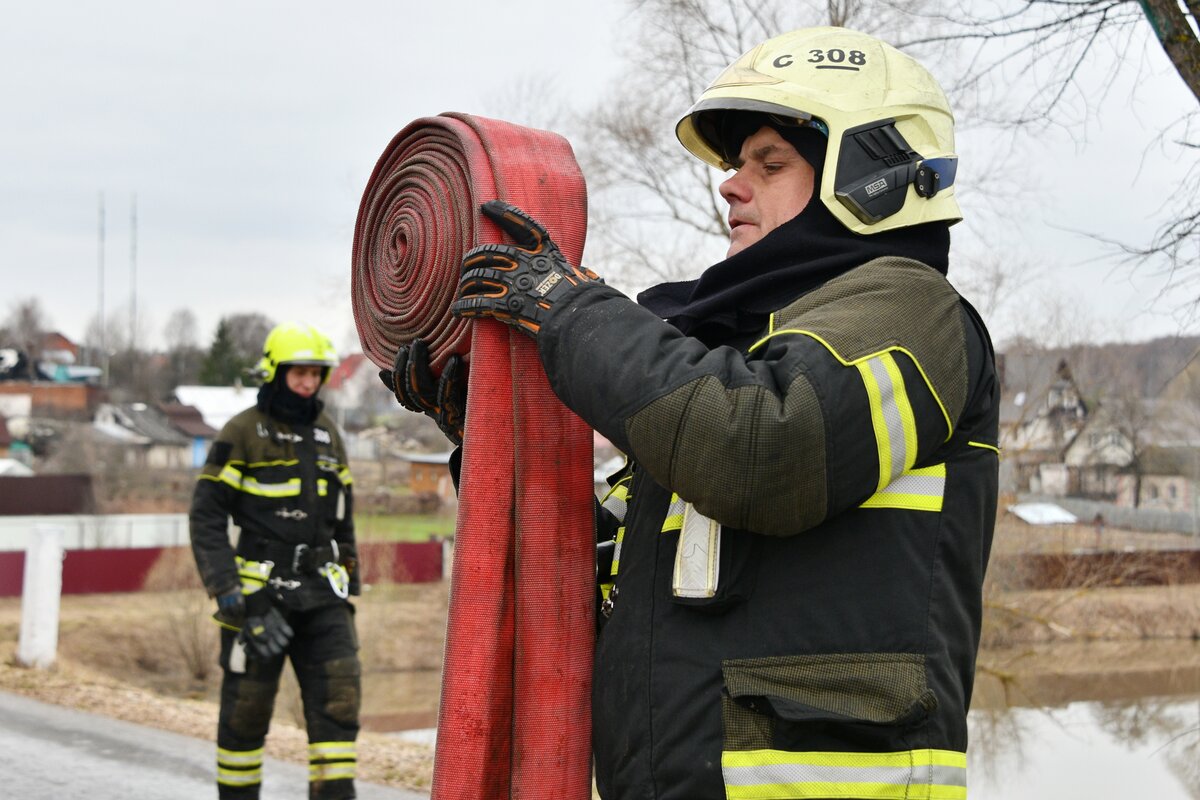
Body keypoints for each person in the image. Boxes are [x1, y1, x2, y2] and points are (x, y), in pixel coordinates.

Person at [390, 26, 999, 800]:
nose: (730, 185)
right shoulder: (740, 361)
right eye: (736, 164)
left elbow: (764, 452)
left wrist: (570, 312)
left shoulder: (914, 313)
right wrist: (485, 442)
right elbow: (592, 573)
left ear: (872, 175)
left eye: (768, 163)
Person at [190, 321, 362, 800]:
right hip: (256, 599)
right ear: (275, 371)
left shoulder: (328, 433)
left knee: (340, 705)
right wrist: (230, 594)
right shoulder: (242, 431)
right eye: (298, 372)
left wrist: (350, 587)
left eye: (315, 373)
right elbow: (206, 516)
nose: (308, 382)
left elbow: (343, 519)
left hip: (323, 597)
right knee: (244, 717)